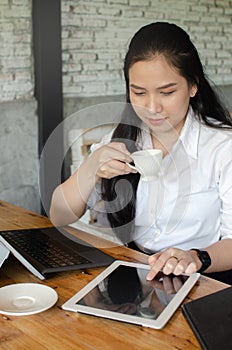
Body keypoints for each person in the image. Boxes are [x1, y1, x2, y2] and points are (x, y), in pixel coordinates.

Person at [49, 22, 232, 284]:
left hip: (206, 278)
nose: (152, 107)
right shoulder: (121, 139)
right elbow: (59, 216)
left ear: (193, 87)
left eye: (167, 92)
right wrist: (91, 168)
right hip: (135, 273)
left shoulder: (222, 146)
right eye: (139, 92)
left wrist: (196, 257)